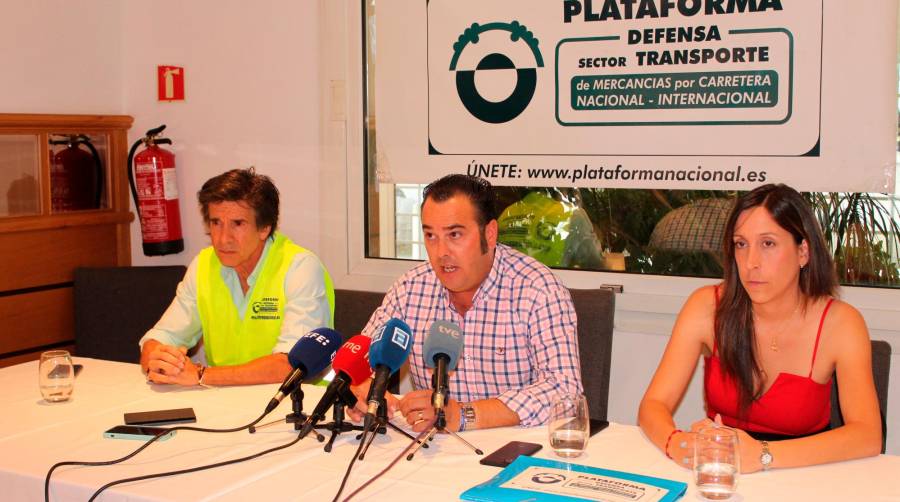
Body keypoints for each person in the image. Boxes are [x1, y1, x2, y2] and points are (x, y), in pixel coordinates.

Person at [638, 184, 882, 473]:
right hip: (726, 473)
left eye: (768, 244)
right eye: (741, 244)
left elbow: (868, 436)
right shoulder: (707, 306)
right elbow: (653, 404)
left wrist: (763, 455)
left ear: (803, 251)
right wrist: (680, 445)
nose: (751, 262)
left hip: (807, 475)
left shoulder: (841, 323)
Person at [350, 174, 583, 432]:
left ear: (490, 233)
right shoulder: (409, 289)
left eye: (455, 234)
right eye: (430, 236)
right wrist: (364, 390)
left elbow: (565, 392)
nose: (441, 252)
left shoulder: (538, 290)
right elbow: (358, 362)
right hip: (433, 451)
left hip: (514, 450)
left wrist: (464, 414)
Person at [139, 168, 335, 386]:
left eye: (237, 224)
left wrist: (202, 375)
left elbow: (290, 365)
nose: (223, 239)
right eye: (216, 223)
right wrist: (158, 358)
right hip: (224, 400)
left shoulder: (300, 267)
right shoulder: (203, 264)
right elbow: (162, 337)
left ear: (265, 228)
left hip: (295, 404)